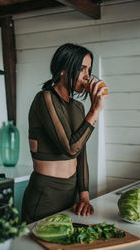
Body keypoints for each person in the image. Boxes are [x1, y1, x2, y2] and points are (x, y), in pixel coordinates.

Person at [21, 43, 108, 223]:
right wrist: (95, 110)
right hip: (45, 195)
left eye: (89, 69)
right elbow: (70, 148)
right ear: (63, 69)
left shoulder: (78, 107)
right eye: (82, 68)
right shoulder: (44, 99)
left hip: (71, 195)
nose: (87, 76)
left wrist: (84, 196)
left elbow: (81, 154)